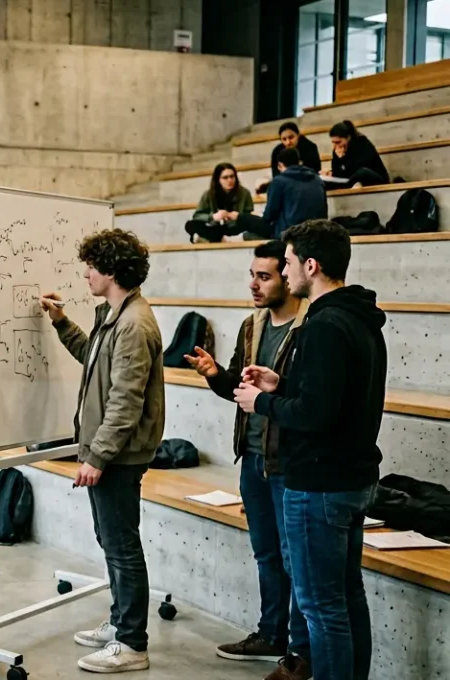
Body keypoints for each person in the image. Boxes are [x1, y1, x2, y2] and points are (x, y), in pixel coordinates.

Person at [234, 220, 385, 680]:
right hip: (351, 480)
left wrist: (261, 402)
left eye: (291, 261)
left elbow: (316, 416)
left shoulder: (322, 325)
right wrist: (284, 384)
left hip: (319, 485)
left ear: (311, 265)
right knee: (346, 598)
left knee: (323, 610)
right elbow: (334, 397)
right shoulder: (359, 319)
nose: (287, 269)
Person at [183, 241, 312, 678]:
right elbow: (241, 392)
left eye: (265, 276)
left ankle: (298, 650)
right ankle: (271, 632)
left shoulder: (310, 326)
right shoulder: (251, 325)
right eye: (252, 275)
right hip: (252, 457)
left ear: (288, 277)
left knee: (295, 558)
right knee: (266, 553)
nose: (254, 285)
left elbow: (304, 400)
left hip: (289, 462)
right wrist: (216, 375)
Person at [39, 228, 164, 674]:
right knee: (112, 543)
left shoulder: (132, 324)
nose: (85, 272)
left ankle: (132, 643)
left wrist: (96, 457)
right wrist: (59, 322)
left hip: (119, 454)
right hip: (111, 450)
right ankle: (119, 623)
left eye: (91, 265)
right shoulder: (115, 315)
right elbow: (92, 358)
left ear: (111, 269)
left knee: (122, 547)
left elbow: (125, 401)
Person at [185, 163, 268, 243]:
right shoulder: (208, 194)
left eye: (232, 176)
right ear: (218, 180)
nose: (230, 180)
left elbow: (249, 216)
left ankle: (210, 239)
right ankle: (219, 238)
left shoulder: (244, 193)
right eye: (225, 178)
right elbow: (197, 215)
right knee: (190, 225)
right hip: (217, 227)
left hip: (236, 227)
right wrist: (213, 217)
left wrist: (238, 216)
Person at [261, 147, 328, 239]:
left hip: (290, 234)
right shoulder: (317, 179)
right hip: (316, 232)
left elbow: (269, 215)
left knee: (248, 233)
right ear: (300, 162)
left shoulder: (279, 181)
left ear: (280, 165)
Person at [257, 122, 323, 193]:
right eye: (284, 139)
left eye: (291, 137)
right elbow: (276, 175)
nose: (288, 142)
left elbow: (314, 172)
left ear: (298, 135)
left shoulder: (310, 147)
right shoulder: (277, 152)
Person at [325, 120, 388, 190]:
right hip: (349, 181)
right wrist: (339, 161)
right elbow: (338, 175)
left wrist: (343, 159)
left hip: (372, 178)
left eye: (338, 142)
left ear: (348, 138)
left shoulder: (362, 143)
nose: (335, 145)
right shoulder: (337, 149)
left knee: (362, 173)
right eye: (333, 142)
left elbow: (358, 169)